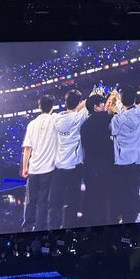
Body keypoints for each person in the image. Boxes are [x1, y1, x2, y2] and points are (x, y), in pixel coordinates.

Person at [48, 90, 88, 229]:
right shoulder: (79, 117)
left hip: (59, 166)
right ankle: (69, 227)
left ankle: (53, 227)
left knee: (55, 201)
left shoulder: (56, 118)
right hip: (74, 166)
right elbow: (86, 104)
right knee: (72, 201)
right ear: (78, 103)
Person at [110, 87, 140, 224]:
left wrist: (116, 109)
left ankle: (120, 217)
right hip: (134, 159)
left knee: (120, 190)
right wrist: (120, 102)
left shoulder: (118, 119)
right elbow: (130, 108)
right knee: (132, 189)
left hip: (121, 160)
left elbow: (112, 131)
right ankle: (131, 216)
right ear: (135, 100)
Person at [21, 94, 57, 231]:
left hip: (34, 168)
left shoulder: (32, 124)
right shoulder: (55, 120)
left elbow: (27, 148)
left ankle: (27, 226)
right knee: (43, 201)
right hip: (48, 169)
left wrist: (25, 167)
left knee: (30, 200)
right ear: (52, 107)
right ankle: (40, 227)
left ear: (39, 106)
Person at [80, 93, 115, 224]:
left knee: (90, 196)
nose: (104, 106)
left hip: (89, 166)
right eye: (101, 103)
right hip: (104, 167)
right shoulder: (105, 117)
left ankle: (87, 223)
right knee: (103, 199)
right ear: (95, 107)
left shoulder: (84, 125)